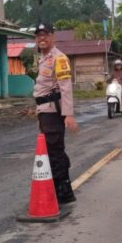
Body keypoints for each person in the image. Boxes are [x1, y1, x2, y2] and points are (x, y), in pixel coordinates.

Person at [32, 23, 78, 204]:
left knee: (54, 151)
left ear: (53, 37)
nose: (41, 38)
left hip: (52, 112)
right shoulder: (43, 58)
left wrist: (69, 114)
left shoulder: (59, 58)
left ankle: (63, 191)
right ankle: (59, 187)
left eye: (45, 35)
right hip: (45, 111)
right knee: (53, 149)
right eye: (38, 35)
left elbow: (65, 88)